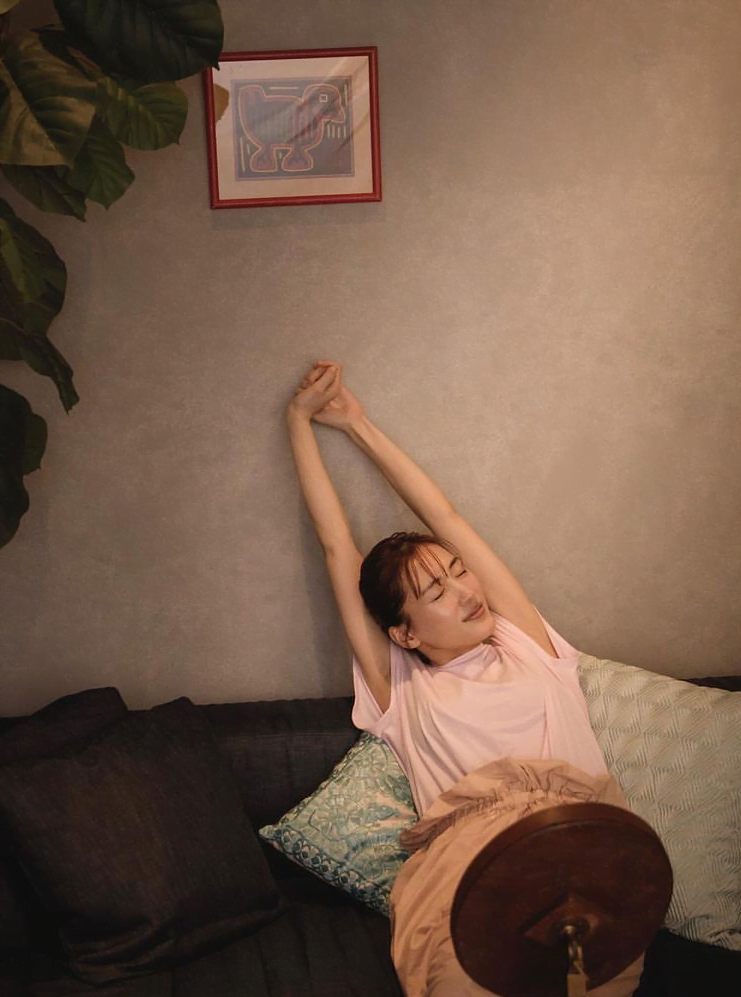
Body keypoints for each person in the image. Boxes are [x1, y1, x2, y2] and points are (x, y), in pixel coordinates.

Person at [286, 360, 644, 997]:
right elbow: (336, 546)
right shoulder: (401, 689)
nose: (465, 593)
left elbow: (446, 517)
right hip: (475, 874)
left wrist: (358, 424)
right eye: (436, 593)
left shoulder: (526, 643)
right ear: (405, 635)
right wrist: (298, 420)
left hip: (578, 854)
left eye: (458, 574)